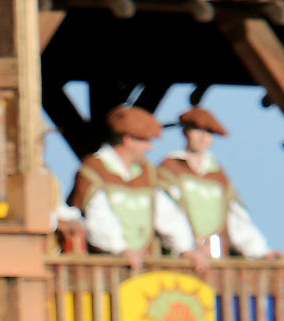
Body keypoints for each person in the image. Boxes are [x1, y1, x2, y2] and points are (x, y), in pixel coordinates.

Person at [67, 105, 203, 270]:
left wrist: (185, 248)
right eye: (145, 140)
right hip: (104, 271)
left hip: (145, 272)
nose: (150, 147)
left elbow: (168, 216)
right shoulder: (94, 170)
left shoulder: (148, 173)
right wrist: (120, 249)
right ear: (128, 139)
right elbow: (99, 219)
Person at [157, 107, 273, 260]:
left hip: (217, 259)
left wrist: (261, 251)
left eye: (209, 132)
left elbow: (237, 218)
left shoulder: (218, 175)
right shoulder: (169, 169)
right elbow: (165, 215)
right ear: (185, 132)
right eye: (197, 130)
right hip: (180, 259)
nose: (203, 137)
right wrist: (185, 248)